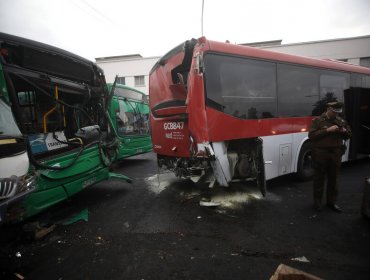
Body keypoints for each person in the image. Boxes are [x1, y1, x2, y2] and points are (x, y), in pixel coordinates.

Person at [308, 102, 352, 212]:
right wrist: (327, 130)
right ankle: (317, 202)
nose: (335, 114)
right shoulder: (318, 120)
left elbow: (349, 135)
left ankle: (331, 202)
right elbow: (311, 136)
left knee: (334, 180)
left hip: (335, 154)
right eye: (334, 112)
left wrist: (344, 131)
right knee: (319, 179)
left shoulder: (341, 121)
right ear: (328, 109)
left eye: (338, 112)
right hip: (320, 154)